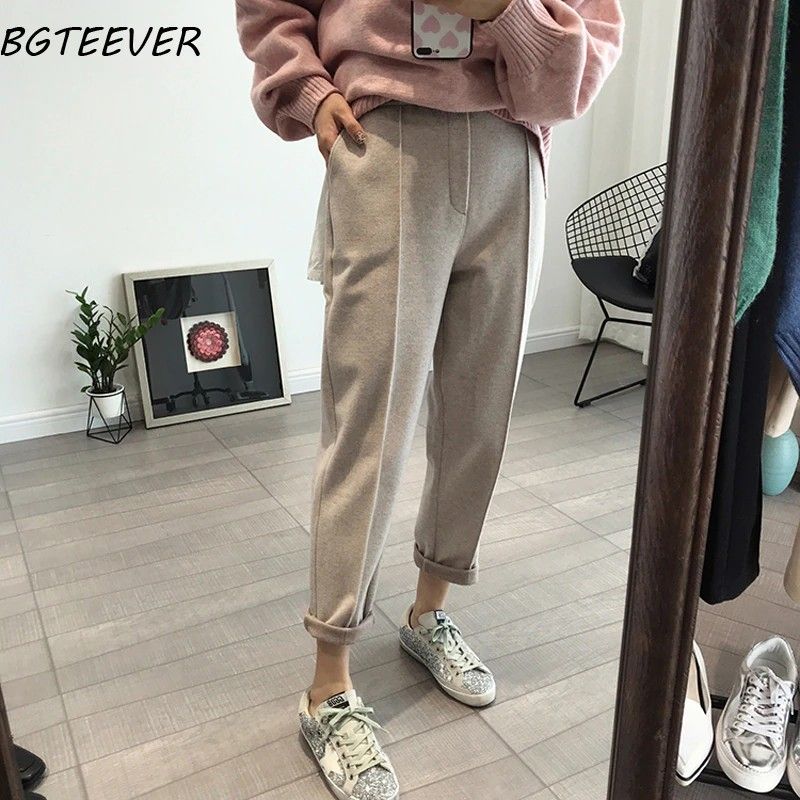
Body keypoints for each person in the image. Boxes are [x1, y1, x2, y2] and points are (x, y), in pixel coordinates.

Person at [236, 0, 623, 796]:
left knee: (480, 413)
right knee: (369, 421)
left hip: (514, 148)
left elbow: (593, 40)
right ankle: (328, 684)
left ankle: (427, 612)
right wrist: (306, 89)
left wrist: (507, 12)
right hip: (387, 135)